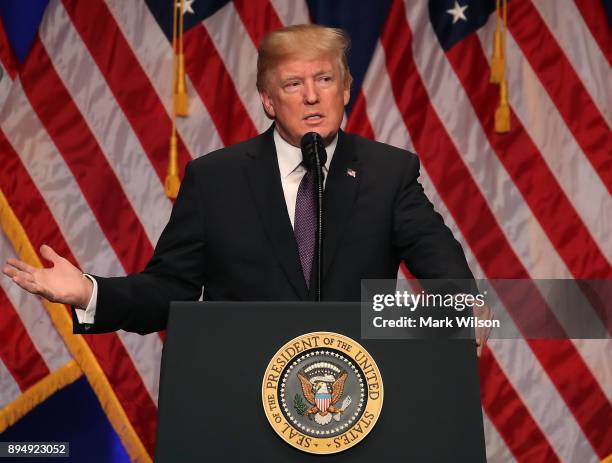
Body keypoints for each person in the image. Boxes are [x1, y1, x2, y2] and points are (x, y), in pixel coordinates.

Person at [3, 24, 487, 353]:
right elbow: (170, 288)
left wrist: (457, 306)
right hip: (242, 397)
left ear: (346, 90)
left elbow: (440, 264)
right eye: (294, 83)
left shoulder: (388, 172)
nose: (313, 95)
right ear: (268, 100)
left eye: (325, 79)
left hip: (360, 392)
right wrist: (90, 292)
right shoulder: (216, 179)